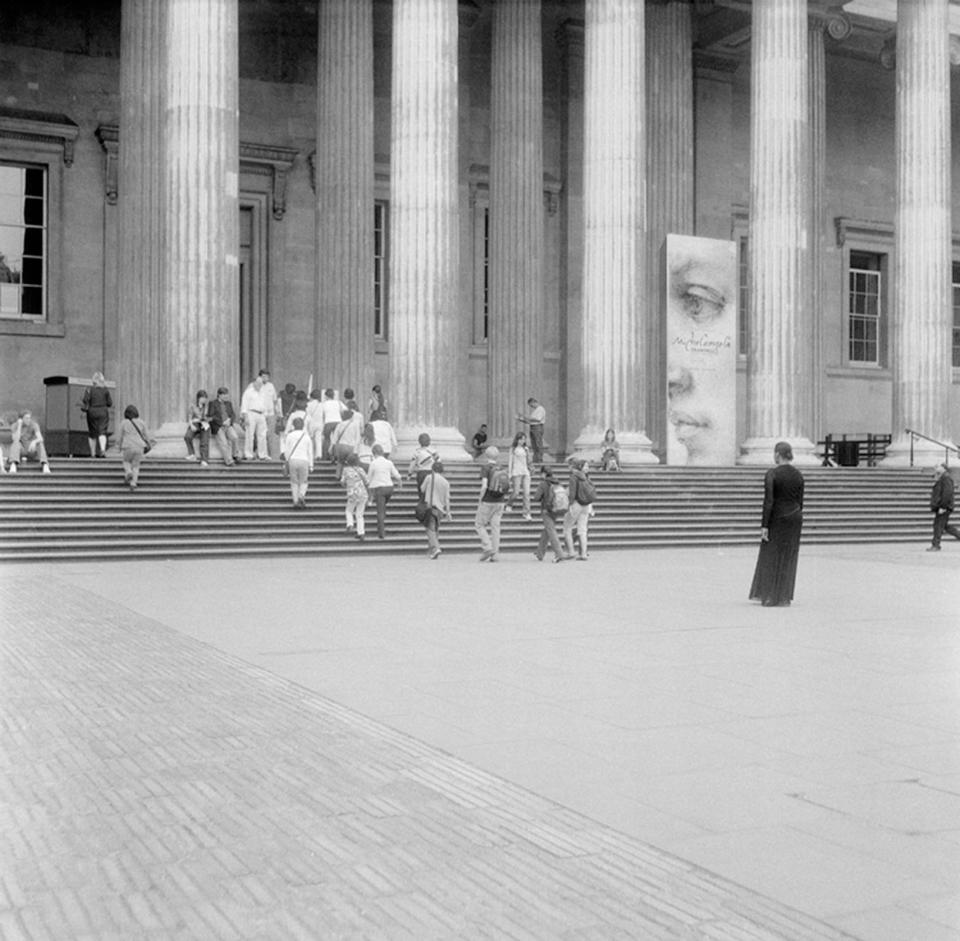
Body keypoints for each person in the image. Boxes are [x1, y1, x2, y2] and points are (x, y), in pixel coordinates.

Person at [749, 440, 805, 607]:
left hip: (778, 517)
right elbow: (800, 501)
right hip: (795, 517)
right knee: (789, 555)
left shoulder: (772, 474)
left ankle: (769, 596)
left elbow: (769, 501)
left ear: (777, 455)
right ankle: (783, 596)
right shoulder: (798, 475)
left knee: (771, 555)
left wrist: (764, 525)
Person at [475, 445, 509, 561]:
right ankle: (495, 554)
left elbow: (484, 485)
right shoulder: (501, 468)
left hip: (488, 500)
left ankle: (487, 547)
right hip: (500, 501)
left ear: (486, 455)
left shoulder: (486, 468)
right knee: (496, 527)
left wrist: (480, 499)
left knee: (479, 524)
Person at [532, 465, 570, 563]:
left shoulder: (543, 484)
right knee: (547, 530)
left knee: (551, 531)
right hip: (556, 509)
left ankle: (559, 554)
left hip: (546, 510)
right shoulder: (557, 482)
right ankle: (540, 553)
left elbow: (536, 497)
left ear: (543, 473)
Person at [367, 443, 402, 539]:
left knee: (380, 510)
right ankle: (382, 521)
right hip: (389, 488)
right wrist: (399, 482)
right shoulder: (389, 462)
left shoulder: (373, 463)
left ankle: (381, 532)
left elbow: (369, 478)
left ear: (374, 453)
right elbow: (397, 475)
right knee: (382, 506)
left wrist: (368, 489)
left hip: (380, 489)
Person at [563, 457, 595, 560]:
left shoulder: (573, 477)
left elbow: (572, 493)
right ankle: (583, 554)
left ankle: (571, 551)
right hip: (586, 505)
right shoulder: (586, 477)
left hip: (576, 504)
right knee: (583, 530)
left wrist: (570, 504)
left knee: (567, 527)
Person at [419, 460, 452, 560]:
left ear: (432, 469)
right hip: (441, 509)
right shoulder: (446, 482)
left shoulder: (429, 477)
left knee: (430, 529)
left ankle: (436, 548)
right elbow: (447, 499)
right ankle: (432, 551)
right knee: (435, 529)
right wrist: (448, 512)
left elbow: (422, 489)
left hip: (431, 506)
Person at [115, 404, 151, 491]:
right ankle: (133, 483)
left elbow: (119, 436)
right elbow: (146, 435)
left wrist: (118, 447)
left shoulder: (124, 423)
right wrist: (149, 444)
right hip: (139, 446)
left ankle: (128, 472)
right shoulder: (142, 422)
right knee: (136, 465)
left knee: (126, 461)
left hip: (127, 446)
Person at [927, 463, 960, 552]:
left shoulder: (946, 478)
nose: (936, 468)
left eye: (938, 466)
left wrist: (943, 507)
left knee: (938, 526)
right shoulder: (942, 478)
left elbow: (947, 494)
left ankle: (936, 545)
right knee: (944, 526)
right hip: (942, 507)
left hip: (943, 507)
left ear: (944, 468)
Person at [282, 416, 313, 509]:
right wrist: (311, 465)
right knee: (304, 481)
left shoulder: (289, 436)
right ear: (303, 426)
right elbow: (310, 452)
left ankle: (295, 501)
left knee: (294, 482)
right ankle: (301, 495)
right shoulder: (307, 437)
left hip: (293, 460)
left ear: (293, 426)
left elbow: (286, 450)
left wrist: (286, 461)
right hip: (304, 460)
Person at [81, 371, 112, 458]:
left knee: (92, 433)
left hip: (92, 412)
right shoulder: (105, 390)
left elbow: (85, 400)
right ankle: (102, 450)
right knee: (102, 431)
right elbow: (110, 403)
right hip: (103, 412)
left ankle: (93, 453)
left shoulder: (89, 389)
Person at [208, 387, 241, 465]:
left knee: (235, 437)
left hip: (228, 425)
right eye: (225, 395)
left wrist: (230, 421)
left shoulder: (228, 403)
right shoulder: (212, 403)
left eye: (227, 394)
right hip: (218, 426)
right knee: (224, 443)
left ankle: (235, 455)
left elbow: (233, 414)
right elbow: (211, 416)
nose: (226, 396)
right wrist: (222, 422)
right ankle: (229, 460)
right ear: (219, 395)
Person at [330, 406, 364, 480]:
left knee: (340, 462)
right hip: (350, 446)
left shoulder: (339, 424)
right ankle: (347, 477)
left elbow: (335, 437)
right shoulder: (355, 425)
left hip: (341, 446)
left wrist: (332, 447)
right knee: (350, 463)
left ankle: (338, 475)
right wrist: (356, 450)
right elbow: (357, 438)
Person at [341, 452, 369, 540]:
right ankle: (361, 533)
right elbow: (367, 481)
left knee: (349, 511)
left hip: (352, 493)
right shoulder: (361, 469)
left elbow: (342, 481)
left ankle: (350, 523)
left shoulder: (345, 470)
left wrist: (346, 484)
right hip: (362, 493)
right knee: (360, 514)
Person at [241, 375, 268, 460]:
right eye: (258, 383)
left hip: (261, 414)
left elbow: (265, 404)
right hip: (251, 413)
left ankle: (262, 454)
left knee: (262, 435)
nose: (260, 385)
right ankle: (248, 454)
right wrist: (245, 417)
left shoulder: (263, 392)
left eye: (261, 383)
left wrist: (265, 415)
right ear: (254, 383)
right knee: (250, 435)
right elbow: (244, 405)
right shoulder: (248, 392)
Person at [507, 431, 533, 520]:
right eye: (521, 439)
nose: (522, 441)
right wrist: (509, 473)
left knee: (527, 493)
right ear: (517, 440)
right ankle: (509, 503)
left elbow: (529, 461)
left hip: (525, 472)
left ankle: (527, 512)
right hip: (516, 472)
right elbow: (510, 461)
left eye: (524, 439)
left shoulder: (526, 449)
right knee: (516, 492)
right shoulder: (513, 449)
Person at [258, 369, 282, 459]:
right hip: (261, 413)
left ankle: (271, 454)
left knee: (270, 434)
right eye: (263, 376)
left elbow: (275, 400)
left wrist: (278, 412)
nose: (265, 378)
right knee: (262, 434)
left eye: (267, 377)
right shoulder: (256, 386)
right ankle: (262, 453)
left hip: (270, 413)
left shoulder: (271, 386)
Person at [183, 389, 211, 466]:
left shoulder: (207, 407)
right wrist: (191, 425)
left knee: (204, 441)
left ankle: (204, 460)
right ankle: (192, 454)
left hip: (204, 424)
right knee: (187, 436)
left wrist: (206, 419)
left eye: (205, 398)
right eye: (202, 398)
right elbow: (189, 417)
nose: (204, 400)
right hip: (195, 424)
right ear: (198, 398)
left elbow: (210, 417)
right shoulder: (193, 406)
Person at [517, 397, 546, 463]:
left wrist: (525, 416)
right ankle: (535, 459)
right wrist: (522, 419)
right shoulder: (535, 410)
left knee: (538, 443)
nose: (531, 407)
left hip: (537, 427)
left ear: (534, 402)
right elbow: (531, 421)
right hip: (533, 427)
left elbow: (538, 419)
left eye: (531, 405)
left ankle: (539, 459)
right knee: (534, 444)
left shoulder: (541, 409)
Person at [319, 388, 344, 461]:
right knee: (337, 439)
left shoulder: (324, 404)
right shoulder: (339, 402)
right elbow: (344, 411)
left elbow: (322, 414)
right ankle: (337, 456)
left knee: (327, 439)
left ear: (326, 396)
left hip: (328, 422)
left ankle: (325, 456)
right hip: (338, 422)